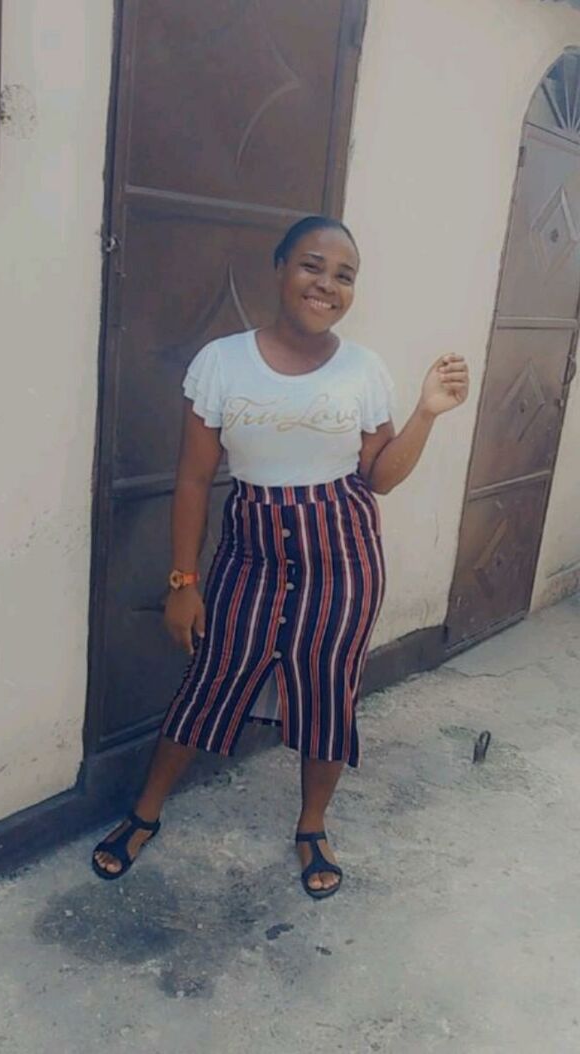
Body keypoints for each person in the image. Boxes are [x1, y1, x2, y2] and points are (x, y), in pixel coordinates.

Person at [92, 215, 469, 898]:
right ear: (279, 269)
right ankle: (144, 812)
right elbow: (194, 479)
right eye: (311, 265)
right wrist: (184, 580)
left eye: (344, 275)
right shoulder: (222, 363)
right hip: (251, 553)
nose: (326, 284)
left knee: (328, 690)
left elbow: (379, 477)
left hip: (344, 558)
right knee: (211, 678)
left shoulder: (364, 370)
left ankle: (312, 826)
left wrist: (426, 413)